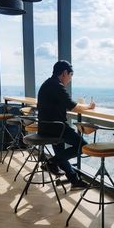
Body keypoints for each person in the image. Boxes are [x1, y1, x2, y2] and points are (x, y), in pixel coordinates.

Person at [37, 60, 95, 190]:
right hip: (56, 128)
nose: (70, 79)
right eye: (71, 75)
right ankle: (51, 162)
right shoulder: (56, 85)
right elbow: (73, 107)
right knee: (83, 146)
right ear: (64, 73)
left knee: (61, 154)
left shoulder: (47, 84)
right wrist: (90, 107)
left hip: (45, 127)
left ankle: (74, 180)